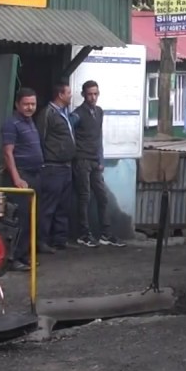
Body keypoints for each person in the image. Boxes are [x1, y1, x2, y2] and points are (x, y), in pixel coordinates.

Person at [72, 80, 124, 247]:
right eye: (90, 94)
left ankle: (106, 234)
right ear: (84, 95)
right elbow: (68, 134)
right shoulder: (77, 114)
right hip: (82, 160)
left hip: (95, 161)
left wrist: (101, 159)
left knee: (102, 197)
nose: (93, 97)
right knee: (84, 197)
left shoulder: (99, 112)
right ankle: (83, 234)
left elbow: (99, 136)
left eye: (95, 94)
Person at [0, 87, 43, 270]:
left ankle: (24, 255)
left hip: (34, 175)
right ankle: (13, 259)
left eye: (33, 104)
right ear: (17, 104)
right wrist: (16, 179)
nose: (30, 107)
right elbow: (8, 153)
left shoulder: (30, 122)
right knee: (19, 219)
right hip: (20, 176)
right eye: (26, 104)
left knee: (31, 218)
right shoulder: (11, 123)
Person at [36, 81, 77, 251]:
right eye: (68, 93)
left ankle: (60, 239)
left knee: (63, 206)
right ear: (60, 95)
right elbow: (41, 137)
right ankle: (42, 241)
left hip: (67, 166)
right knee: (48, 206)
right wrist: (44, 161)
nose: (70, 95)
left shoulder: (65, 113)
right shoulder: (48, 113)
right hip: (53, 167)